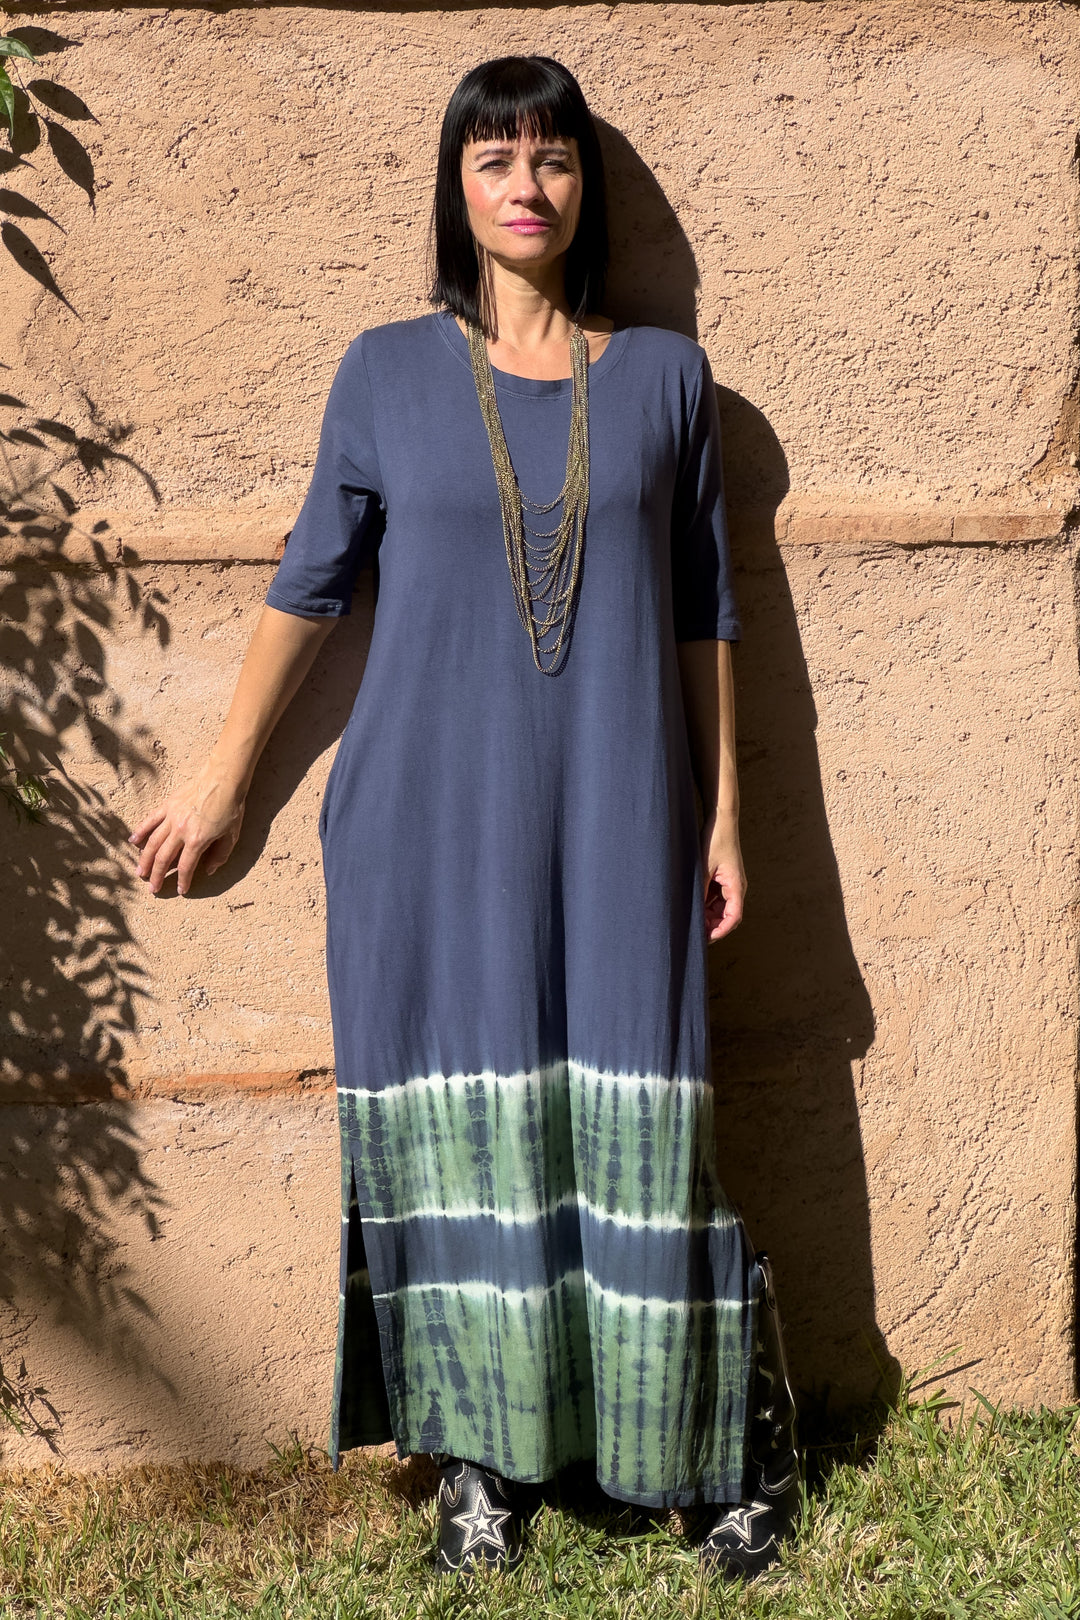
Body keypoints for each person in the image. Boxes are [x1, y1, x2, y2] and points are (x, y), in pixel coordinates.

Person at [128, 55, 800, 1580]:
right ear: (456, 188)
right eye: (493, 159)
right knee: (459, 1147)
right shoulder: (382, 373)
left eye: (551, 157)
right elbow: (311, 585)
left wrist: (725, 816)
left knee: (645, 1123)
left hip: (623, 810)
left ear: (583, 187)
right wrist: (225, 779)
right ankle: (480, 1467)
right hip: (427, 825)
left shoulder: (668, 381)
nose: (524, 185)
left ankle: (717, 1447)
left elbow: (705, 614)